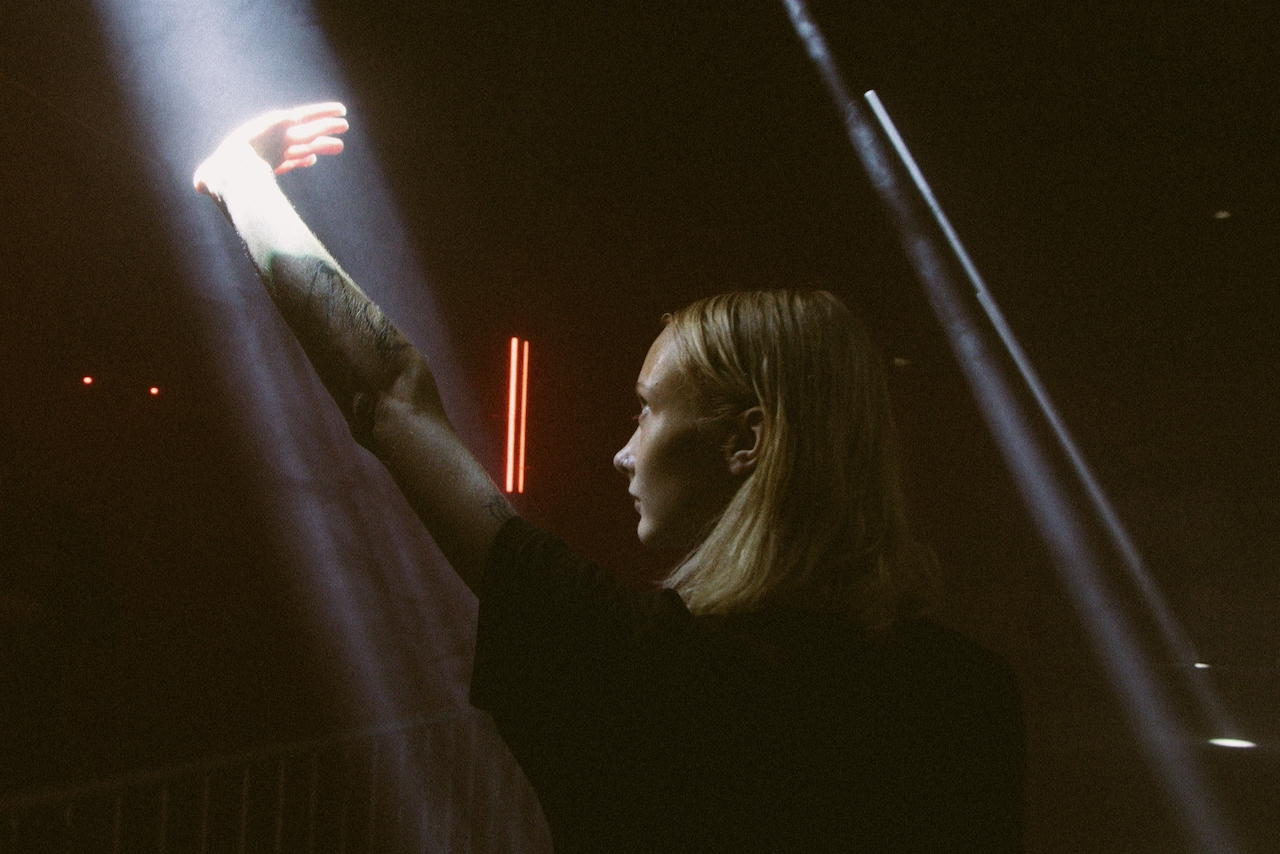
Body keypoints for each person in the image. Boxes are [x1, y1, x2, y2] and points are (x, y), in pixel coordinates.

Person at [195, 103, 1025, 853]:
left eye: (648, 411)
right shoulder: (971, 700)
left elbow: (389, 397)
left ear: (748, 441)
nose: (623, 454)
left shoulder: (623, 664)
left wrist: (241, 178)